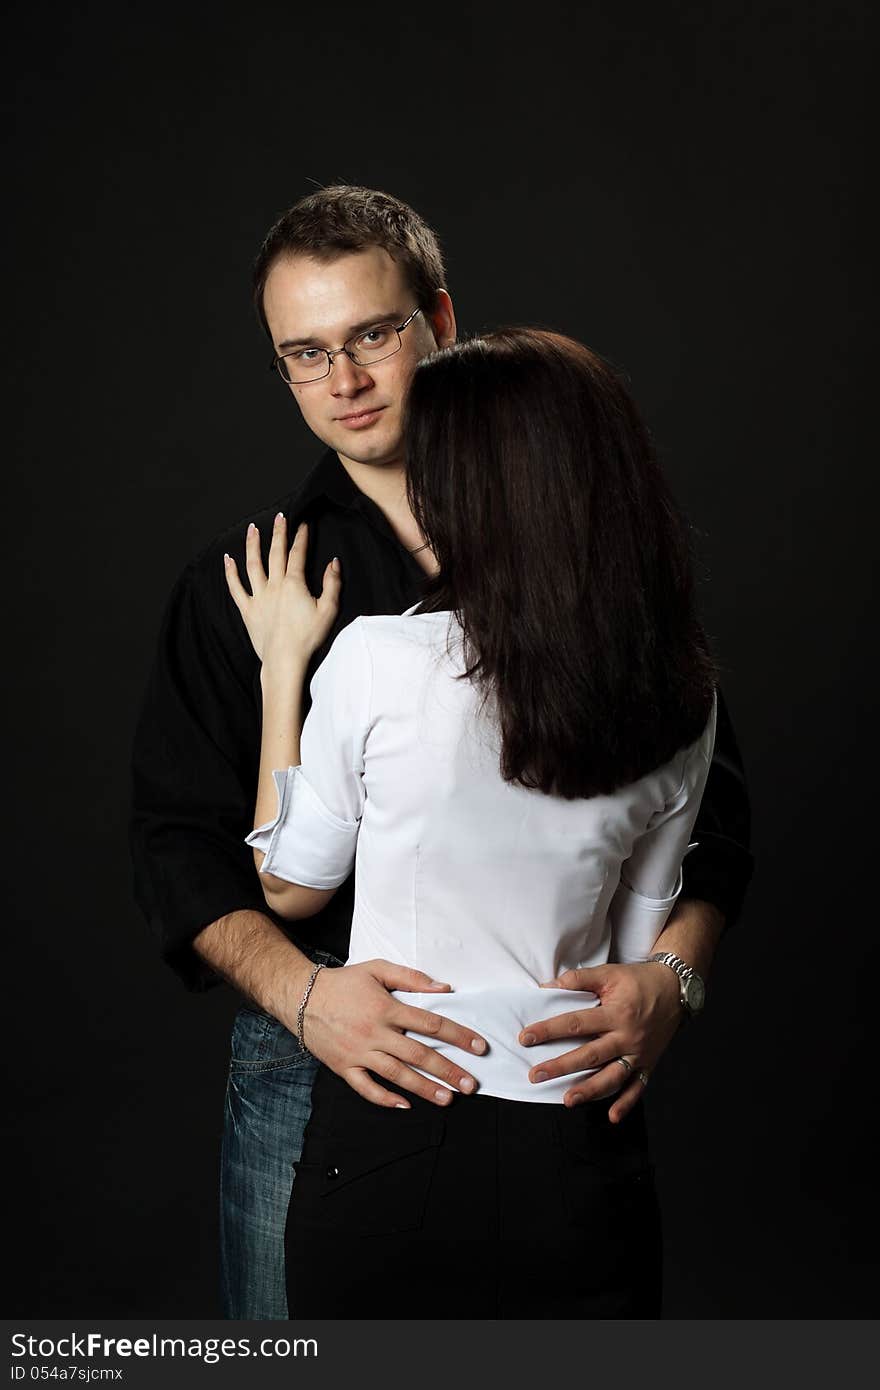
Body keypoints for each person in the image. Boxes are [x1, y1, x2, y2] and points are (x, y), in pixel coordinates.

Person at [129, 186, 753, 1320]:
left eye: (371, 334)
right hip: (313, 1066)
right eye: (305, 355)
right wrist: (309, 999)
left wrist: (673, 980)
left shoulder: (593, 563)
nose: (346, 382)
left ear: (441, 320)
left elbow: (716, 818)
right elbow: (176, 842)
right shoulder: (244, 584)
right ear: (280, 370)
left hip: (553, 1067)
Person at [226, 327, 718, 1318]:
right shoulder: (683, 690)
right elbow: (627, 952)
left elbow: (290, 885)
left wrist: (283, 671)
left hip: (397, 1134)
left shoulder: (373, 658)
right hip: (580, 1147)